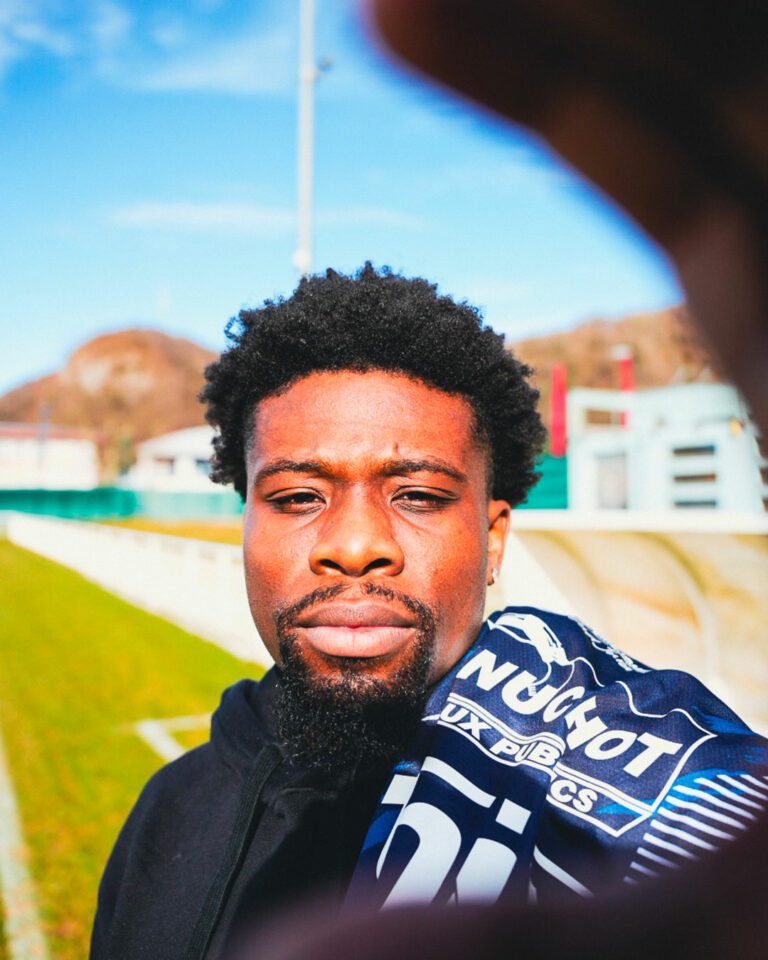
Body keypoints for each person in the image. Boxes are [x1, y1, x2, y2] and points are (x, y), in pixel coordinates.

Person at [90, 264, 768, 960]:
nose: (355, 546)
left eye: (417, 496)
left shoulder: (623, 792)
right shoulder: (169, 811)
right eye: (297, 498)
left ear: (493, 538)